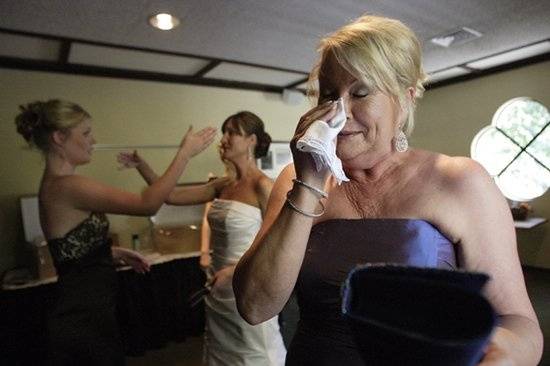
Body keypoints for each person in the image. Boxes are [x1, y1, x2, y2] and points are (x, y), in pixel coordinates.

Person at [232, 14, 543, 365]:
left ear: (405, 99)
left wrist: (502, 355)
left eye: (360, 93)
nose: (338, 112)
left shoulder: (461, 181)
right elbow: (254, 306)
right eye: (329, 94)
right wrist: (308, 185)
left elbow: (519, 322)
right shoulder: (295, 179)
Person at [14, 99, 216, 365]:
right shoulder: (67, 186)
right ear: (59, 137)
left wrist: (112, 253)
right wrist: (184, 154)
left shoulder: (55, 186)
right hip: (81, 318)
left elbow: (70, 250)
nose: (93, 140)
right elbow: (148, 204)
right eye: (85, 133)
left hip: (89, 312)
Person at [118, 111, 287, 365]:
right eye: (224, 132)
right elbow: (170, 195)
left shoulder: (263, 186)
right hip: (216, 282)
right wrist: (143, 167)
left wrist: (232, 272)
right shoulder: (222, 185)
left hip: (243, 280)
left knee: (252, 350)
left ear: (252, 140)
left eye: (233, 132)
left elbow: (274, 242)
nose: (225, 139)